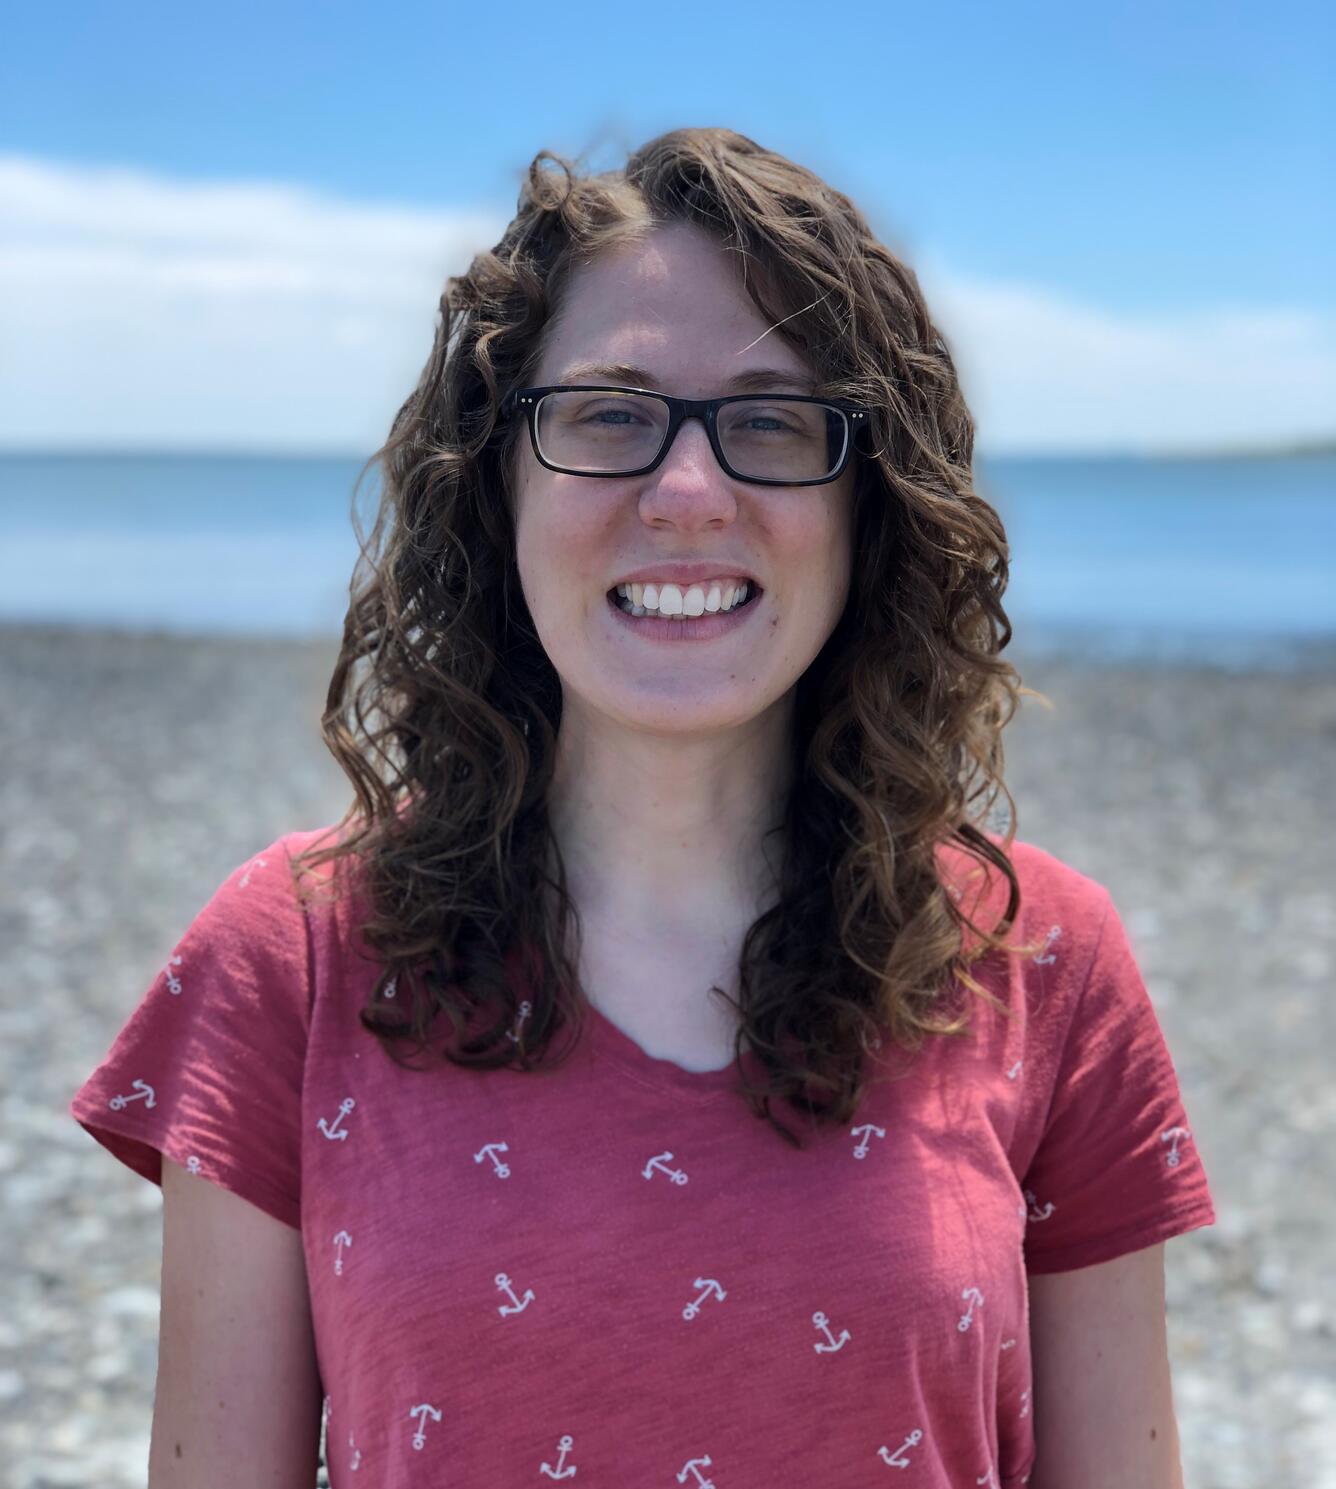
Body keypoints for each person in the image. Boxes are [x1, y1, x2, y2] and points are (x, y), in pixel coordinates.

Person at [69, 127, 1216, 1487]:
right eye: (609, 414)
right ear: (499, 477)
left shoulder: (1043, 959)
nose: (686, 494)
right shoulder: (293, 955)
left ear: (869, 505)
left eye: (771, 422)